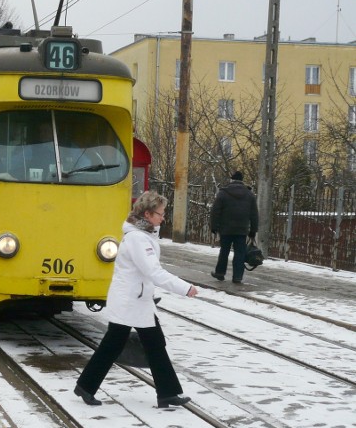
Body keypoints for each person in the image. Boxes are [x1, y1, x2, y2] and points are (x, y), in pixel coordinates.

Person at [75, 191, 199, 408]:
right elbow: (154, 272)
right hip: (130, 302)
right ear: (148, 214)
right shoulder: (138, 239)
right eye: (160, 213)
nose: (163, 218)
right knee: (115, 345)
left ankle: (167, 393)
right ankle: (86, 386)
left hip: (137, 300)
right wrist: (185, 288)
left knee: (154, 344)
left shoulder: (143, 236)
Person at [210, 170, 259, 284]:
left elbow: (215, 211)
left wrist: (214, 226)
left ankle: (220, 273)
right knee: (240, 253)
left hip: (225, 229)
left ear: (231, 180)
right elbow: (254, 214)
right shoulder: (249, 194)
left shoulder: (223, 193)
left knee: (224, 251)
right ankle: (237, 277)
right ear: (242, 180)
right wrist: (253, 230)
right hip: (241, 230)